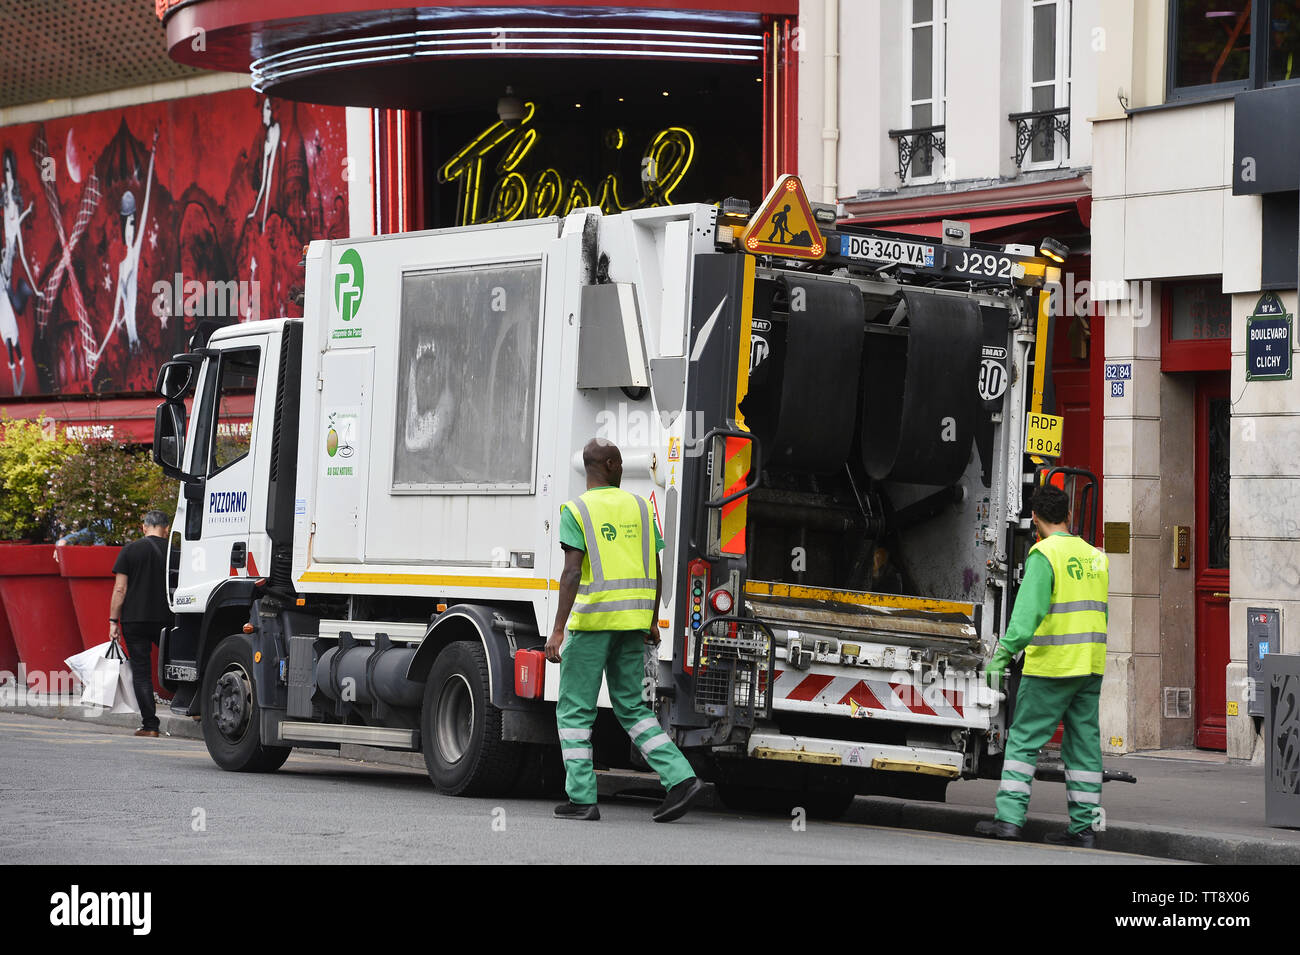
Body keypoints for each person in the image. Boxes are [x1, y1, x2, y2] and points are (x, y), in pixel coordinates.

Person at [545, 438, 705, 822]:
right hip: (632, 626)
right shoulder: (639, 506)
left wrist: (557, 630)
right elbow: (655, 567)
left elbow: (570, 572)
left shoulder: (576, 509)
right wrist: (650, 620)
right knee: (632, 708)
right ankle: (681, 778)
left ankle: (582, 798)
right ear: (612, 465)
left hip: (593, 626)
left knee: (574, 712)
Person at [975, 484, 1109, 848]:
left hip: (1051, 668)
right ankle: (1084, 829)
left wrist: (1000, 657)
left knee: (1023, 743)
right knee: (1083, 749)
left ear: (1034, 518)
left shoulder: (1043, 555)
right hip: (1090, 667)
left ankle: (1009, 822)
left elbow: (1025, 619)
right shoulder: (1095, 556)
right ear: (1068, 515)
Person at [109, 511, 173, 738]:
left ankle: (150, 725)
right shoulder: (175, 553)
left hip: (135, 619)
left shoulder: (130, 551)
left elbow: (120, 589)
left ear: (144, 528)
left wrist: (113, 621)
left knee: (141, 673)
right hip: (168, 618)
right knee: (176, 663)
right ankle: (194, 708)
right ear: (167, 529)